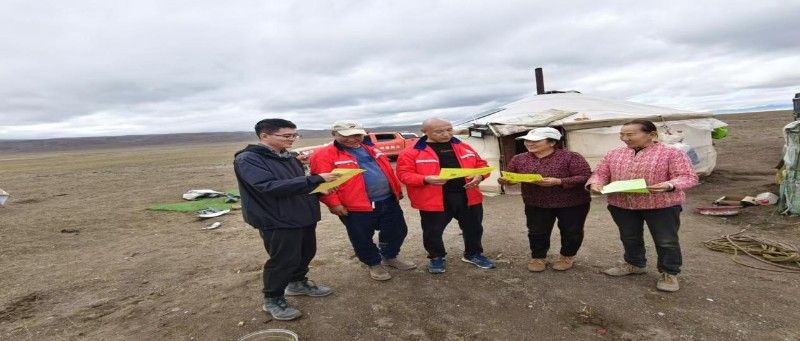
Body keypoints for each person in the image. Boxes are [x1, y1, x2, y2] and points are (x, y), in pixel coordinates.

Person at [234, 118, 341, 320]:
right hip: (276, 218)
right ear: (264, 136)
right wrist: (316, 179)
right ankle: (272, 299)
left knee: (306, 252)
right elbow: (268, 187)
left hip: (302, 214)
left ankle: (297, 283)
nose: (292, 139)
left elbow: (298, 184)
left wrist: (320, 187)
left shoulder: (289, 157)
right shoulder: (248, 159)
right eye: (287, 136)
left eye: (295, 135)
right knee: (283, 260)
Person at [586, 119, 699, 292]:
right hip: (622, 204)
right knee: (629, 237)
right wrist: (596, 183)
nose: (625, 138)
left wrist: (668, 185)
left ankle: (669, 272)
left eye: (630, 134)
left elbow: (688, 177)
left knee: (666, 241)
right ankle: (635, 264)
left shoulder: (671, 153)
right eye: (622, 135)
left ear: (652, 135)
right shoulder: (614, 154)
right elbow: (600, 173)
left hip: (661, 205)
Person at [309, 120, 416, 281]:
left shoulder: (372, 148)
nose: (353, 139)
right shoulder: (322, 155)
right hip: (354, 206)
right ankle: (373, 262)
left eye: (357, 135)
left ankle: (389, 255)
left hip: (387, 199)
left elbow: (386, 170)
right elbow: (322, 183)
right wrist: (334, 203)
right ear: (334, 134)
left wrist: (396, 190)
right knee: (362, 237)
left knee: (397, 231)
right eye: (347, 136)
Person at [396, 118, 496, 274]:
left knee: (474, 228)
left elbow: (481, 165)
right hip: (434, 199)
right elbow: (404, 175)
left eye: (449, 129)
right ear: (425, 132)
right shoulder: (411, 151)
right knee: (433, 231)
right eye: (439, 131)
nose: (446, 134)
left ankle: (473, 254)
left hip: (467, 195)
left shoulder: (463, 146)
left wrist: (480, 177)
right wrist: (425, 179)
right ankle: (436, 257)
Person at [497, 127, 592, 272]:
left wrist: (559, 181)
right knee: (537, 231)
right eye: (527, 140)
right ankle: (538, 257)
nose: (529, 143)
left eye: (535, 140)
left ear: (552, 142)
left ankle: (567, 256)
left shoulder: (571, 156)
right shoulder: (519, 158)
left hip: (572, 202)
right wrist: (506, 180)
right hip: (536, 202)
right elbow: (511, 176)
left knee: (571, 231)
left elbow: (585, 176)